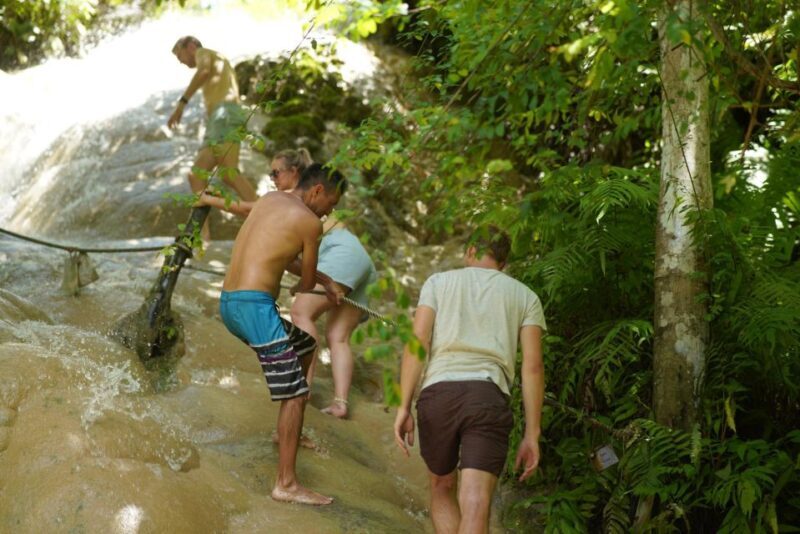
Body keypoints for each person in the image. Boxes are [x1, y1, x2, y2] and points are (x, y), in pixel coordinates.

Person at [200, 148, 377, 418]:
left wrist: (206, 198)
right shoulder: (302, 203)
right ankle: (340, 403)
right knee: (338, 337)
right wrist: (324, 281)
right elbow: (287, 258)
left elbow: (245, 210)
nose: (272, 178)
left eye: (276, 172)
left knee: (301, 312)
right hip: (357, 256)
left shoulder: (289, 201)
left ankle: (299, 392)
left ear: (295, 174)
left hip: (340, 255)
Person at [393, 227, 546, 533]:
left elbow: (418, 342)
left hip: (438, 395)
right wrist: (532, 433)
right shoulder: (525, 296)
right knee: (476, 500)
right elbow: (533, 367)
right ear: (504, 264)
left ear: (470, 252)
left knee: (441, 485)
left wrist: (404, 406)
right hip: (487, 397)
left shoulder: (438, 282)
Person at [219, 163, 346, 506]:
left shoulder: (269, 200)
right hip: (254, 308)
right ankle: (286, 484)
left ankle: (285, 431)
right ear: (317, 191)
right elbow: (302, 283)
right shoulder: (309, 222)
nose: (329, 212)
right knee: (294, 392)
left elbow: (276, 254)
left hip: (230, 303)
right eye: (330, 204)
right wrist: (318, 285)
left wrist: (325, 282)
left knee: (305, 345)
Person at [168, 35, 257, 241]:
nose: (181, 62)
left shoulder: (204, 54)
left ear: (190, 46)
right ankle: (205, 234)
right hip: (228, 115)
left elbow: (204, 71)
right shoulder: (220, 60)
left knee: (208, 174)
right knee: (218, 174)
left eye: (180, 55)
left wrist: (182, 103)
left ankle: (203, 234)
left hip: (223, 114)